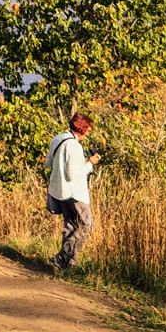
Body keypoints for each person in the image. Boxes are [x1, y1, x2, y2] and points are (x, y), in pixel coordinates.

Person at [46, 112, 100, 272]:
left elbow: (49, 163)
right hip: (74, 193)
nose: (88, 133)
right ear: (81, 129)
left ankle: (64, 266)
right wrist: (90, 163)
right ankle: (62, 257)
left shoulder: (57, 139)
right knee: (86, 224)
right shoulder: (74, 146)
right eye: (87, 130)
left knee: (70, 225)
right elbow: (73, 174)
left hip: (58, 190)